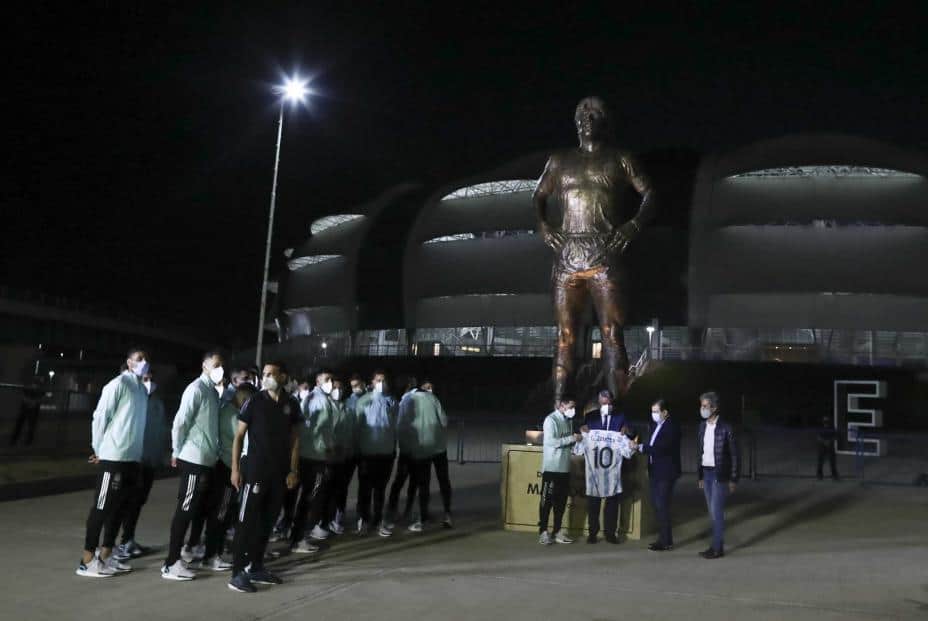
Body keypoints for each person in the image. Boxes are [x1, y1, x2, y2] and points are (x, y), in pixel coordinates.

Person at [228, 362, 301, 593]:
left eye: (271, 374)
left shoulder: (291, 403)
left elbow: (295, 440)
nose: (266, 377)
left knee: (267, 521)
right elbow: (239, 436)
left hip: (279, 473)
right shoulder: (254, 401)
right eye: (265, 374)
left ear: (283, 376)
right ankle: (237, 573)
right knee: (246, 522)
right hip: (255, 470)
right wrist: (235, 469)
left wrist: (293, 470)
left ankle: (256, 566)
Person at [76, 348, 149, 578]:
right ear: (129, 362)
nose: (144, 362)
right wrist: (99, 449)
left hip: (132, 458)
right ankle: (87, 560)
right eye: (139, 359)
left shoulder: (141, 389)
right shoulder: (118, 384)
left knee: (120, 508)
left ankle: (106, 556)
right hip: (114, 457)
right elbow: (100, 416)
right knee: (102, 507)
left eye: (146, 359)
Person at [161, 351, 224, 581]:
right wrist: (177, 450)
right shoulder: (196, 389)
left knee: (195, 509)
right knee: (185, 509)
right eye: (215, 365)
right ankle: (171, 562)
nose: (220, 369)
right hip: (194, 459)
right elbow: (180, 422)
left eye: (221, 365)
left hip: (207, 459)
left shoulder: (213, 392)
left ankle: (187, 552)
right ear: (204, 365)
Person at [198, 383, 258, 571]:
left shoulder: (231, 412)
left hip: (228, 468)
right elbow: (240, 441)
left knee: (223, 514)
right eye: (248, 401)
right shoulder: (231, 415)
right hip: (227, 469)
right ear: (242, 397)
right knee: (220, 514)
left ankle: (215, 552)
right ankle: (211, 555)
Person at [113, 370, 169, 561]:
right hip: (134, 459)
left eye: (151, 378)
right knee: (127, 501)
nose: (149, 382)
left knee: (138, 501)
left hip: (150, 460)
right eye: (145, 379)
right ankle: (117, 543)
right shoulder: (133, 400)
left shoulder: (157, 402)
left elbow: (160, 430)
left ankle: (128, 539)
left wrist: (160, 455)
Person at [574, 391, 636, 544]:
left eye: (607, 403)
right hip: (594, 470)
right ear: (598, 402)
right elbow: (580, 432)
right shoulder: (591, 416)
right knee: (593, 504)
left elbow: (632, 432)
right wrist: (581, 430)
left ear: (612, 402)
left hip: (612, 470)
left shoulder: (620, 416)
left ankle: (610, 534)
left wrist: (627, 431)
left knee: (612, 503)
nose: (605, 406)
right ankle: (592, 533)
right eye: (602, 403)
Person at [288, 371, 336, 553]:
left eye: (331, 379)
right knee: (310, 498)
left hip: (309, 454)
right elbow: (316, 430)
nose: (330, 382)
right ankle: (299, 538)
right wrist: (327, 447)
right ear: (318, 381)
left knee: (305, 497)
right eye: (327, 379)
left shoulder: (315, 398)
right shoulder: (320, 400)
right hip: (314, 456)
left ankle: (296, 534)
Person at [403, 380, 452, 532]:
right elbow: (444, 421)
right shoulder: (433, 398)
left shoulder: (408, 400)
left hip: (421, 449)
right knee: (444, 480)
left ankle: (422, 518)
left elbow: (403, 424)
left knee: (423, 484)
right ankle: (447, 515)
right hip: (438, 447)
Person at [696, 391, 740, 559]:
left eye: (705, 406)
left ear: (714, 408)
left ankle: (717, 548)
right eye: (701, 406)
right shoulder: (702, 426)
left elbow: (735, 455)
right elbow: (700, 452)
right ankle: (714, 545)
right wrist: (700, 475)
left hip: (719, 474)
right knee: (712, 512)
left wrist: (734, 478)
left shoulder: (726, 428)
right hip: (706, 473)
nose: (702, 409)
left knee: (716, 511)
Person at [355, 370, 397, 537]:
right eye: (378, 380)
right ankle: (364, 520)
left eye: (384, 380)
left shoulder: (392, 401)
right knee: (365, 490)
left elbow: (396, 425)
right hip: (368, 453)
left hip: (386, 453)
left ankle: (378, 521)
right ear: (372, 382)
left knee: (380, 490)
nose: (381, 383)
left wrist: (394, 448)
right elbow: (357, 427)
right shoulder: (363, 401)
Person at [638, 398, 681, 551]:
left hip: (666, 472)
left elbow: (661, 449)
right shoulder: (655, 425)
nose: (653, 414)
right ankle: (663, 539)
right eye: (652, 411)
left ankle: (666, 541)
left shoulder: (671, 427)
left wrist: (641, 448)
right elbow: (652, 444)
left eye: (656, 411)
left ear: (665, 412)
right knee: (658, 506)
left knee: (662, 506)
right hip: (655, 471)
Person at [538, 395, 582, 545]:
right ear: (562, 406)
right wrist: (571, 439)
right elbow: (551, 441)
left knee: (561, 503)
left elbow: (567, 442)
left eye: (574, 407)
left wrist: (576, 442)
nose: (573, 410)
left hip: (564, 468)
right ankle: (543, 531)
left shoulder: (569, 421)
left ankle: (557, 531)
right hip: (551, 468)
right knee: (546, 501)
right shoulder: (550, 420)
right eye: (570, 407)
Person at [385, 377, 420, 532]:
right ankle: (401, 511)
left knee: (401, 482)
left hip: (407, 450)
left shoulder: (404, 400)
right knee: (409, 482)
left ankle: (396, 510)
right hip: (411, 450)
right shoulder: (408, 401)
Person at [326, 378, 354, 534]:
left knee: (341, 489)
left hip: (343, 457)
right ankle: (324, 519)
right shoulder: (326, 406)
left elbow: (349, 431)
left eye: (340, 388)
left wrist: (347, 448)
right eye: (335, 387)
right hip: (328, 456)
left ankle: (337, 518)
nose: (338, 391)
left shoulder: (347, 409)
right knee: (327, 490)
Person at [10, 380, 43, 446]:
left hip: (31, 408)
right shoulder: (29, 387)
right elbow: (23, 395)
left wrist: (33, 402)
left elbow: (41, 398)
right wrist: (30, 402)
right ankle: (15, 440)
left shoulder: (38, 389)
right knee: (22, 424)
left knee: (29, 425)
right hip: (27, 407)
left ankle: (25, 441)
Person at [817, 415, 840, 481]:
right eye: (825, 422)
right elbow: (818, 437)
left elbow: (836, 436)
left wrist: (830, 441)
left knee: (832, 461)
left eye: (827, 422)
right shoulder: (820, 427)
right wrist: (824, 442)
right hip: (822, 446)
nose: (826, 423)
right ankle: (819, 474)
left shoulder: (832, 428)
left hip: (830, 446)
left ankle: (834, 475)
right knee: (820, 461)